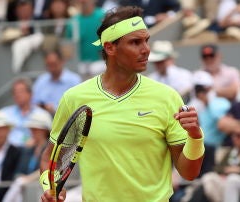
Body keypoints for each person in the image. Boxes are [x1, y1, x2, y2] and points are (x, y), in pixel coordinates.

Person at [39, 6, 205, 201]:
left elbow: (189, 173)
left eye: (146, 40)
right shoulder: (74, 98)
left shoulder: (167, 97)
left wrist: (195, 136)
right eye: (135, 42)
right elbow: (49, 160)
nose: (146, 50)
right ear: (110, 48)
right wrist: (50, 187)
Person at [32, 49, 82, 115]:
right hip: (43, 119)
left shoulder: (74, 80)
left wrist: (55, 109)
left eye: (54, 64)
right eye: (48, 65)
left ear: (62, 62)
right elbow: (33, 103)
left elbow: (78, 105)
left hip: (67, 119)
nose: (51, 68)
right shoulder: (41, 80)